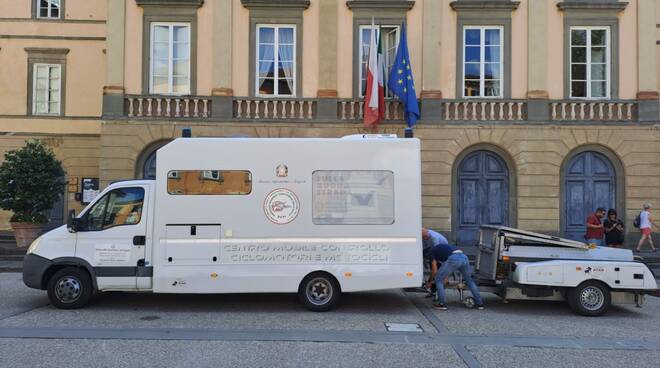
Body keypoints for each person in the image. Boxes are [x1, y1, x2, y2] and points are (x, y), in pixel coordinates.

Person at [427, 242, 484, 311]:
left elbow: (434, 270)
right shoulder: (441, 249)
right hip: (464, 257)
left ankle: (441, 304)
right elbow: (448, 268)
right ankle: (480, 304)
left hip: (454, 258)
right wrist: (446, 277)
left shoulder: (431, 252)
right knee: (469, 280)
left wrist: (429, 281)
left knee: (438, 280)